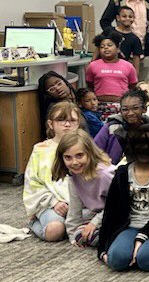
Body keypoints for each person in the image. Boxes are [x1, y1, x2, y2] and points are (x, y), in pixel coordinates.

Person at [98, 124, 149, 272]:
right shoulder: (123, 173)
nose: (146, 149)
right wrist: (102, 249)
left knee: (147, 260)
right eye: (141, 144)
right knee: (117, 260)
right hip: (130, 226)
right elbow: (111, 212)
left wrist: (142, 236)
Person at [23, 101, 79, 241]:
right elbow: (33, 182)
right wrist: (53, 202)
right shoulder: (41, 149)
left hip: (80, 204)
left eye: (72, 120)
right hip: (50, 204)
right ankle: (34, 222)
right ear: (50, 124)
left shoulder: (85, 146)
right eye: (61, 120)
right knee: (55, 230)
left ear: (78, 123)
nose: (67, 124)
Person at [53, 130, 114, 248]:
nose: (74, 162)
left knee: (93, 236)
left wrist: (94, 223)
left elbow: (117, 205)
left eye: (79, 156)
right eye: (68, 157)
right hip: (98, 213)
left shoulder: (105, 175)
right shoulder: (73, 175)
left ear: (90, 153)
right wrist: (72, 236)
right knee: (78, 233)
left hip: (118, 213)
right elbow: (74, 208)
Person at [86, 30, 138, 120]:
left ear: (118, 49)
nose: (105, 48)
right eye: (102, 47)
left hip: (121, 106)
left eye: (109, 45)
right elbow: (90, 84)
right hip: (99, 106)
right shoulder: (93, 65)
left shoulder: (128, 66)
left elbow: (132, 85)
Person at [93, 90, 149, 165]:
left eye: (135, 108)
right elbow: (94, 151)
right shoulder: (112, 127)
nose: (130, 113)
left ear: (144, 109)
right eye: (125, 109)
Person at [37, 71, 77, 140]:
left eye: (59, 84)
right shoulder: (55, 110)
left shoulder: (75, 99)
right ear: (48, 95)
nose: (58, 89)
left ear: (66, 82)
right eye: (51, 89)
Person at [113, 6, 143, 74]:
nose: (127, 18)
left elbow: (136, 60)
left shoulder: (135, 39)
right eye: (124, 16)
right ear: (118, 17)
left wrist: (135, 77)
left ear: (134, 18)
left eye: (130, 16)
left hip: (121, 71)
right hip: (105, 68)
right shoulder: (109, 31)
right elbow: (98, 48)